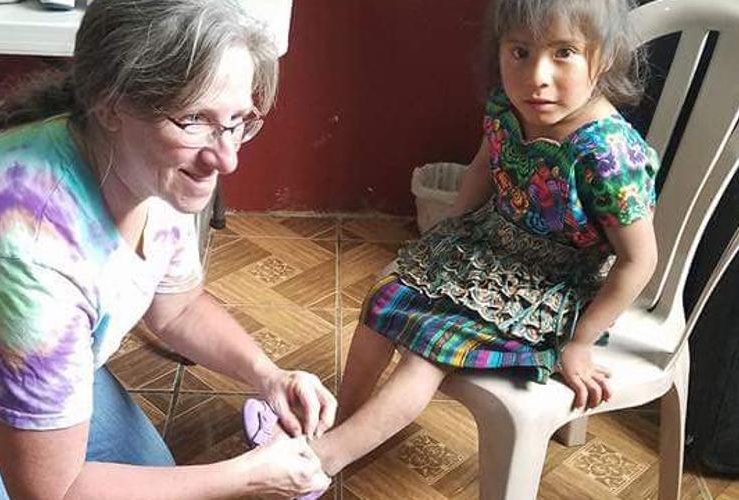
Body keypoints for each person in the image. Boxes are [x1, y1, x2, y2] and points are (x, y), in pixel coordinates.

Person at [0, 0, 337, 498]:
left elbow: (176, 308)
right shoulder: (27, 252)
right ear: (111, 103)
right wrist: (244, 476)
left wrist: (269, 375)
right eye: (192, 120)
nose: (226, 160)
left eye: (239, 121)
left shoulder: (155, 167)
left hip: (26, 366)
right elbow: (49, 491)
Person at [242, 0, 660, 488]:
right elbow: (485, 164)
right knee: (384, 299)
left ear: (603, 58)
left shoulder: (607, 153)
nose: (537, 76)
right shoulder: (509, 107)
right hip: (491, 252)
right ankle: (340, 422)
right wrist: (451, 234)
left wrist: (581, 342)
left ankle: (317, 465)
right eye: (519, 52)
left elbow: (639, 259)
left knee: (428, 352)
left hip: (554, 284)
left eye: (564, 52)